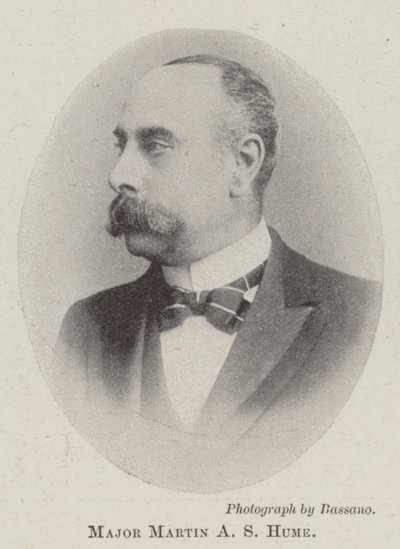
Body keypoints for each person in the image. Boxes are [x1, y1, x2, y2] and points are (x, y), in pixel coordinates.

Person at [56, 55, 381, 447]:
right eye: (122, 145)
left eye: (155, 146)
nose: (118, 175)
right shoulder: (85, 328)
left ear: (243, 164)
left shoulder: (368, 318)